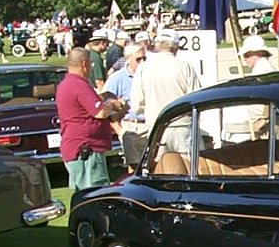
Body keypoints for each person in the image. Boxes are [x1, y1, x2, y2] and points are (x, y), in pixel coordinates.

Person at [57, 47, 126, 189]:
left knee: (82, 191)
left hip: (76, 146)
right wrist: (113, 104)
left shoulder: (66, 84)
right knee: (95, 192)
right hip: (86, 149)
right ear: (84, 64)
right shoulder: (79, 85)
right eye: (90, 64)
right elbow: (100, 112)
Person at [130, 29, 201, 153]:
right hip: (182, 126)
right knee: (188, 167)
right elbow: (197, 98)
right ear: (176, 47)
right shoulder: (184, 67)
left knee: (158, 168)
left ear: (157, 45)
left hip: (156, 125)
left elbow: (137, 104)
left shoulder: (143, 68)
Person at [102, 42, 148, 169]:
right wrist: (119, 131)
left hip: (151, 125)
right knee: (134, 169)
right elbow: (106, 105)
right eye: (138, 59)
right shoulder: (117, 78)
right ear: (128, 59)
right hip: (131, 127)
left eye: (144, 58)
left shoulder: (150, 75)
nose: (142, 62)